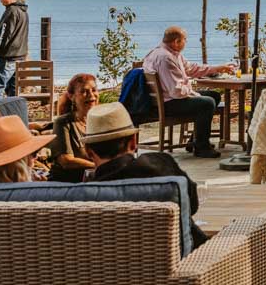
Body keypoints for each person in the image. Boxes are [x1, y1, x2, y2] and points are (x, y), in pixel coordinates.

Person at [84, 102, 208, 247]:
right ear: (133, 142)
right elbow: (191, 205)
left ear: (88, 152)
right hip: (185, 262)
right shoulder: (162, 164)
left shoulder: (83, 196)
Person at [142, 26, 234, 158]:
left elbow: (191, 69)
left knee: (214, 95)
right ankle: (202, 147)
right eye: (185, 40)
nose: (186, 42)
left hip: (168, 99)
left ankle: (195, 141)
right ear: (176, 41)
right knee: (207, 102)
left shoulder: (169, 53)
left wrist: (218, 68)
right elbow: (176, 92)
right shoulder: (165, 58)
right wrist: (191, 88)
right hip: (168, 104)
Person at [48, 73, 99, 183]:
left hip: (93, 180)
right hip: (66, 184)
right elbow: (66, 161)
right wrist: (99, 166)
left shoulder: (100, 120)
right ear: (72, 97)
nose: (91, 95)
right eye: (84, 91)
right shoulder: (63, 122)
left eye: (94, 90)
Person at [0, 0, 28, 98]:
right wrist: (1, 26)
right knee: (13, 90)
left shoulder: (11, 11)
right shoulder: (23, 11)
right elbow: (16, 31)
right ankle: (12, 113)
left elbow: (4, 35)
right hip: (19, 56)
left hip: (7, 57)